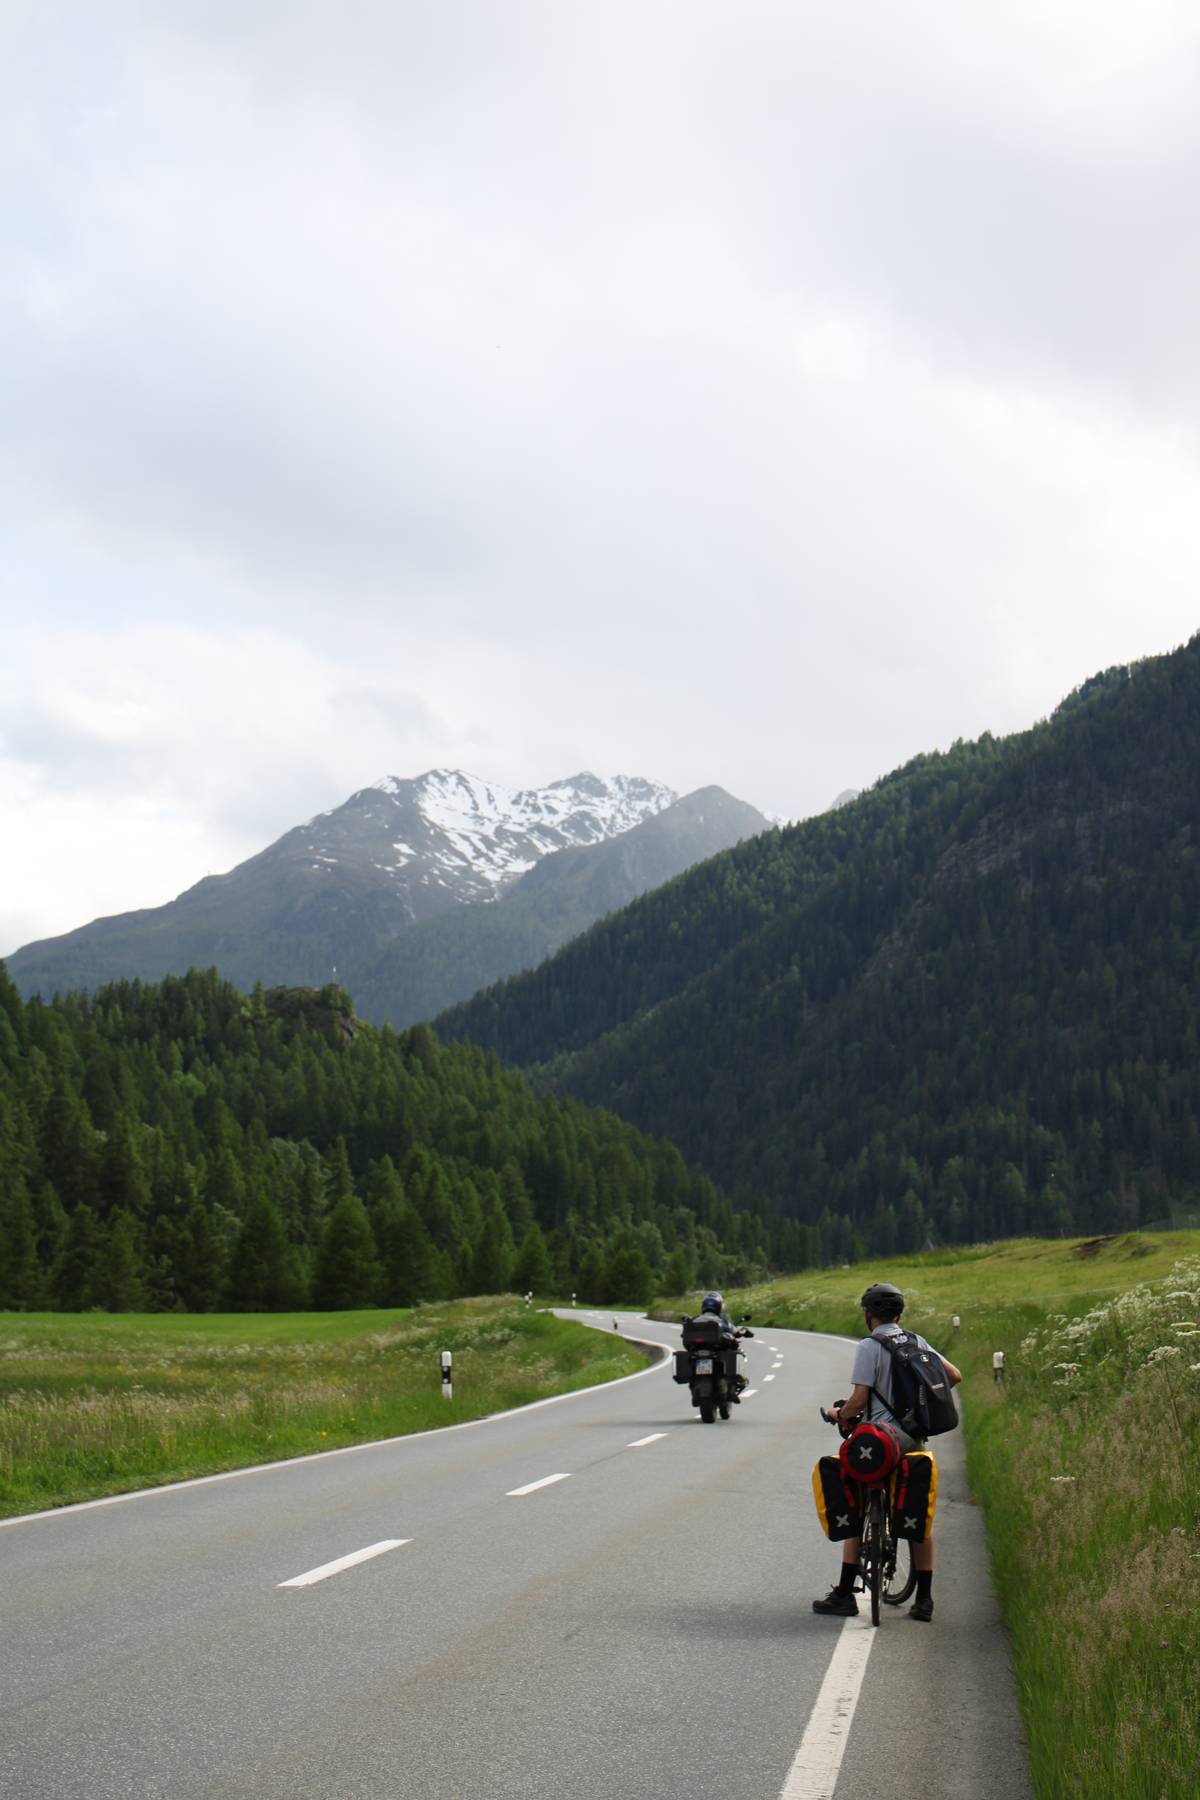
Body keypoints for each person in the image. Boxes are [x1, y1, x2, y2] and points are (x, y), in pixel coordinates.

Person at [813, 1281, 962, 1623]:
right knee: (917, 1509)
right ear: (899, 1313)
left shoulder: (870, 1346)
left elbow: (859, 1401)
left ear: (868, 1315)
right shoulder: (915, 1341)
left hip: (881, 1441)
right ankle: (924, 1601)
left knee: (855, 1494)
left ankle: (844, 1594)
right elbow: (954, 1375)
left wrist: (840, 1415)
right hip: (913, 1438)